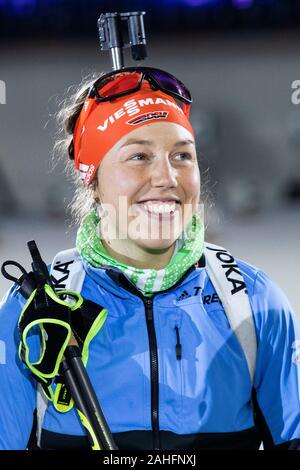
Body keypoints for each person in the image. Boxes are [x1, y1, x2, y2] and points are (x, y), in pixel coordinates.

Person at [0, 68, 299, 451]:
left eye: (182, 156)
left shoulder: (251, 301)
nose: (166, 176)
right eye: (138, 156)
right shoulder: (35, 312)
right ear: (92, 180)